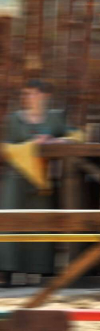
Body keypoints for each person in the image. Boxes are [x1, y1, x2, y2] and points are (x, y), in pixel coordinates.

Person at [0, 80, 81, 286]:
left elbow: (77, 135)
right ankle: (5, 272)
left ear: (45, 96)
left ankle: (40, 272)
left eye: (33, 94)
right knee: (11, 224)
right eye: (26, 94)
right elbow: (6, 148)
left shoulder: (55, 118)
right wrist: (32, 146)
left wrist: (57, 141)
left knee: (41, 224)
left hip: (42, 181)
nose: (28, 98)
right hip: (16, 181)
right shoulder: (14, 119)